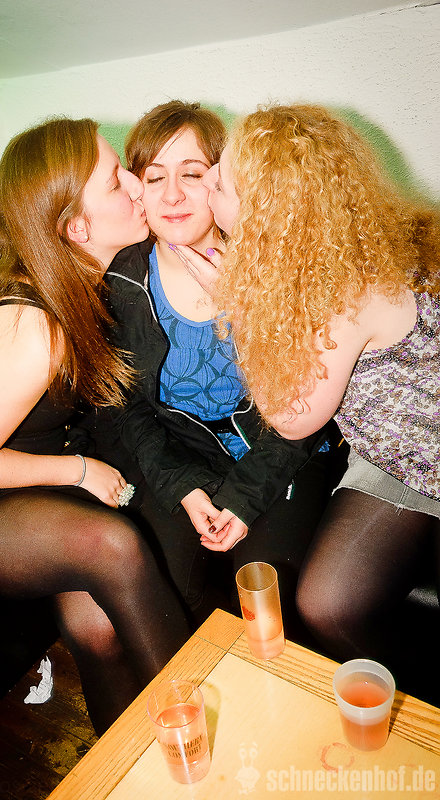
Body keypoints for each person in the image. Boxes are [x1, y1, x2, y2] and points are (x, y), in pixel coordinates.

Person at [0, 117, 190, 736]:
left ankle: (125, 765)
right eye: (116, 182)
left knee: (97, 627)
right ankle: (207, 723)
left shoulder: (72, 280)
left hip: (21, 471)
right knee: (112, 546)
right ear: (76, 227)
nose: (137, 185)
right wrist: (81, 470)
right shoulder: (34, 328)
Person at [182, 102, 440, 686]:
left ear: (267, 215)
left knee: (327, 606)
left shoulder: (351, 288)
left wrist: (238, 309)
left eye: (221, 184)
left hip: (423, 456)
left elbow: (292, 418)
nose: (209, 185)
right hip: (390, 454)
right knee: (328, 602)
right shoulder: (339, 241)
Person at [104, 100, 342, 632]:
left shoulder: (277, 265)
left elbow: (306, 404)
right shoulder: (121, 279)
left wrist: (244, 496)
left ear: (220, 183)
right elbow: (127, 408)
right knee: (161, 594)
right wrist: (183, 486)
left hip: (280, 454)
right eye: (155, 176)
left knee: (267, 601)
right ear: (137, 188)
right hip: (182, 456)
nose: (172, 195)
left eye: (191, 174)